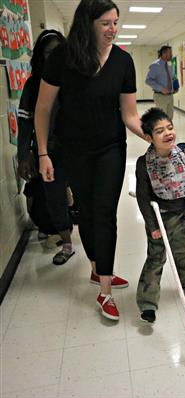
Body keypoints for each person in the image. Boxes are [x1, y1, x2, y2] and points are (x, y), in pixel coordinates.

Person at [35, 0, 146, 321]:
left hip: (111, 147)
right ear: (88, 23)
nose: (113, 29)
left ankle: (105, 290)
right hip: (74, 149)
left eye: (116, 22)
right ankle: (98, 270)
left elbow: (129, 114)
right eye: (106, 23)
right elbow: (43, 109)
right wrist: (43, 153)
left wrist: (152, 135)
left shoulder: (124, 62)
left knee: (105, 213)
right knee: (85, 210)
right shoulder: (63, 58)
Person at [135, 107, 185, 323]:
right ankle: (147, 302)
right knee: (156, 258)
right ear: (149, 138)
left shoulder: (183, 154)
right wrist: (152, 226)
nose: (168, 133)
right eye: (160, 131)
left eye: (170, 127)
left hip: (181, 215)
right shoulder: (144, 163)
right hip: (159, 217)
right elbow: (142, 197)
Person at [17, 29, 76, 265]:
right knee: (54, 197)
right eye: (49, 52)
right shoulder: (33, 85)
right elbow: (24, 122)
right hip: (48, 150)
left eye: (58, 52)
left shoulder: (74, 79)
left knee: (80, 194)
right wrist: (24, 154)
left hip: (76, 148)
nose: (54, 56)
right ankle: (66, 241)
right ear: (40, 56)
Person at [145, 45, 176, 119]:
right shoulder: (155, 65)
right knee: (162, 118)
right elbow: (148, 80)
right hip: (160, 96)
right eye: (170, 53)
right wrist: (161, 88)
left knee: (170, 118)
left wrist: (174, 86)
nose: (172, 55)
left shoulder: (168, 65)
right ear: (164, 54)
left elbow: (171, 78)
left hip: (170, 96)